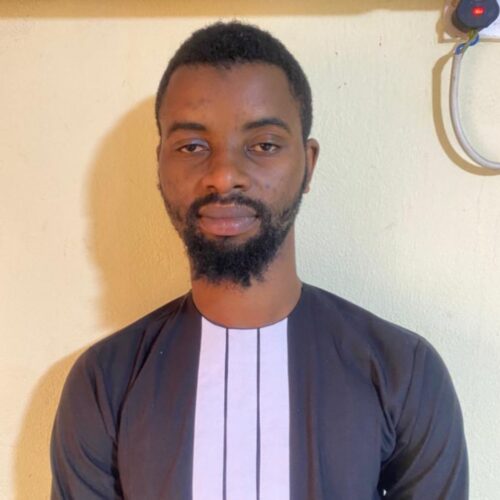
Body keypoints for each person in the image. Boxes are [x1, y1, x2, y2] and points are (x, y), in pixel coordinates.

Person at [50, 21, 468, 499]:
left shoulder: (404, 374)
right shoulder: (104, 383)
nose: (224, 175)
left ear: (308, 165)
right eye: (192, 146)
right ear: (160, 165)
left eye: (264, 145)